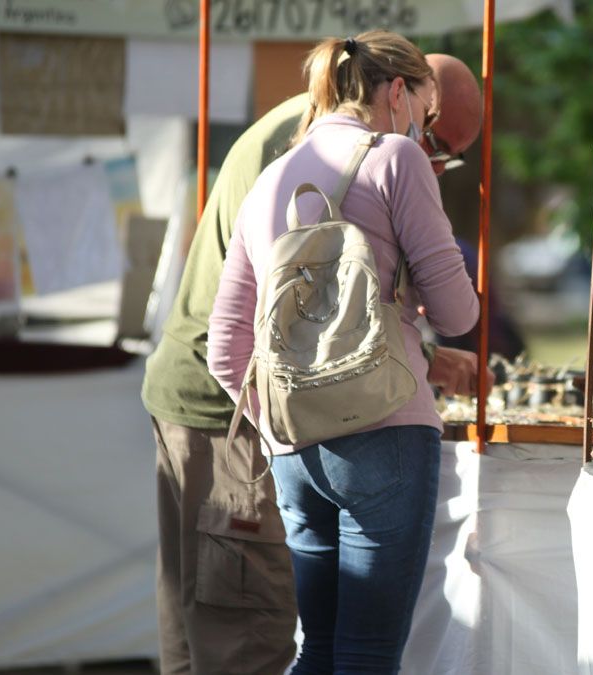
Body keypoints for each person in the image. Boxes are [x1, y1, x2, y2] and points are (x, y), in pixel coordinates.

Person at [141, 48, 484, 674]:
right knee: (355, 652)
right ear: (401, 94)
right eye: (432, 126)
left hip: (286, 440)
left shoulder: (276, 170)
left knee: (309, 649)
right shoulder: (395, 157)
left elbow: (229, 343)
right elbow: (459, 315)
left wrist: (279, 426)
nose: (433, 152)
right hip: (382, 432)